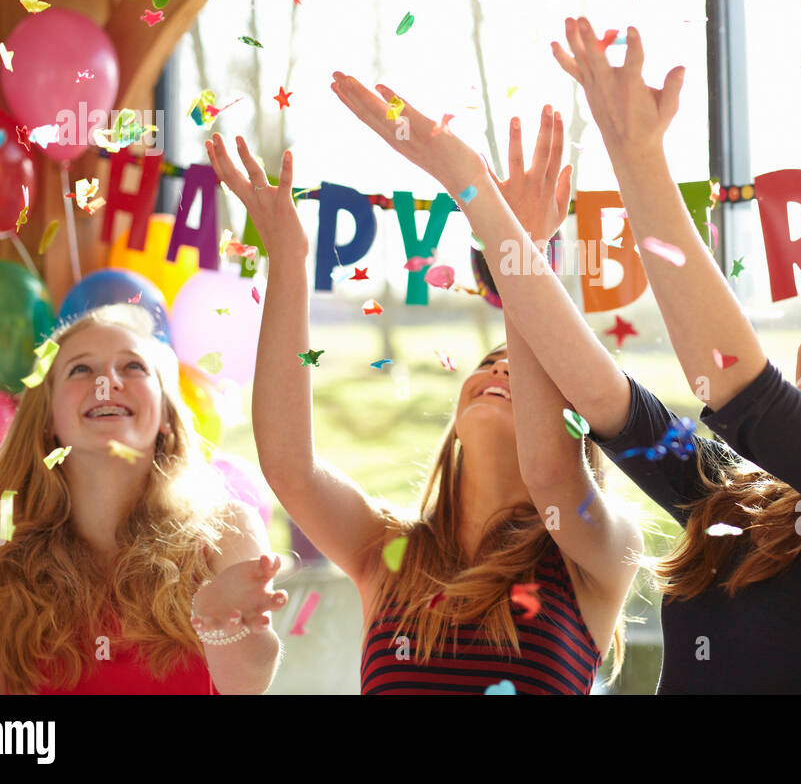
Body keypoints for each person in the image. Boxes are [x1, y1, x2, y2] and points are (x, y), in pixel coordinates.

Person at [328, 25, 801, 692]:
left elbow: (737, 386)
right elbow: (595, 398)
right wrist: (473, 189)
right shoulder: (732, 499)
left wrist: (637, 154)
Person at [204, 132, 640, 694]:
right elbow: (288, 465)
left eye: (529, 375)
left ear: (575, 425)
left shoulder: (595, 554)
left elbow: (551, 473)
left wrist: (520, 255)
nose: (501, 372)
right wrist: (288, 258)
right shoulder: (389, 552)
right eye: (489, 363)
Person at [0, 303, 284, 694]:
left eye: (133, 367)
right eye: (81, 369)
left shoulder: (226, 529)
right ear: (47, 420)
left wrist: (223, 625)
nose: (108, 381)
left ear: (165, 415)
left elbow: (249, 685)